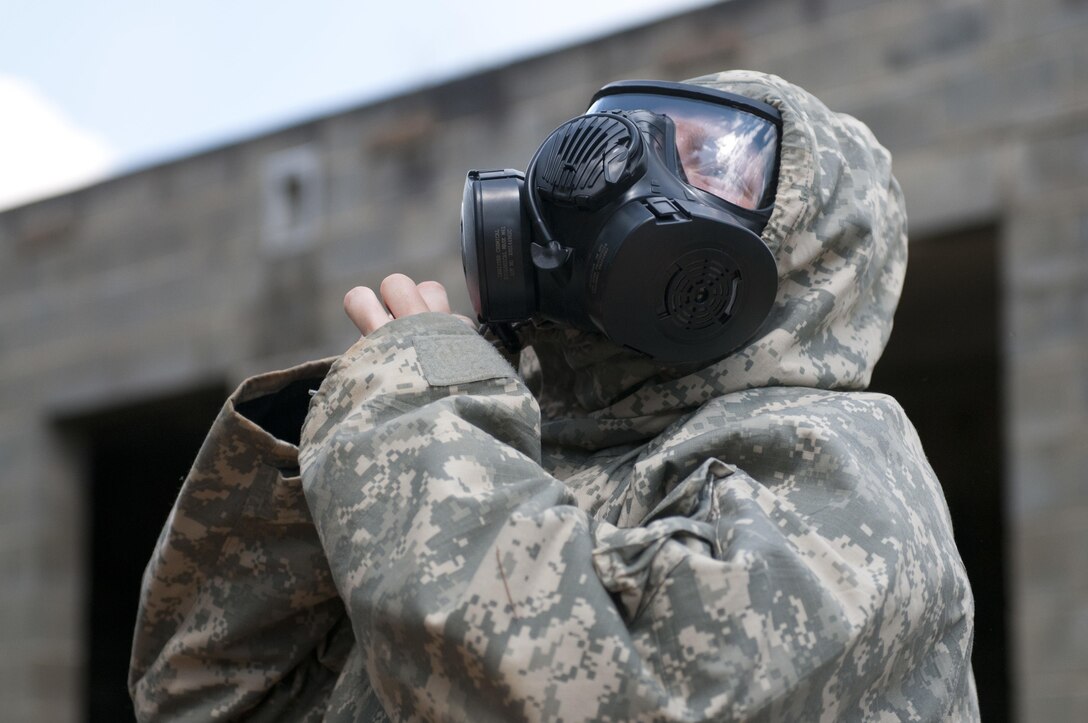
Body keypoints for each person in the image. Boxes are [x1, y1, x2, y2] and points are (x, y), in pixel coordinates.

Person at [129, 70, 979, 721]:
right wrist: (330, 438)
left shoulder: (845, 467)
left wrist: (412, 421)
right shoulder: (495, 450)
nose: (616, 157)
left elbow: (610, 695)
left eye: (712, 157)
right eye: (626, 124)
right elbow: (196, 693)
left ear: (800, 258)